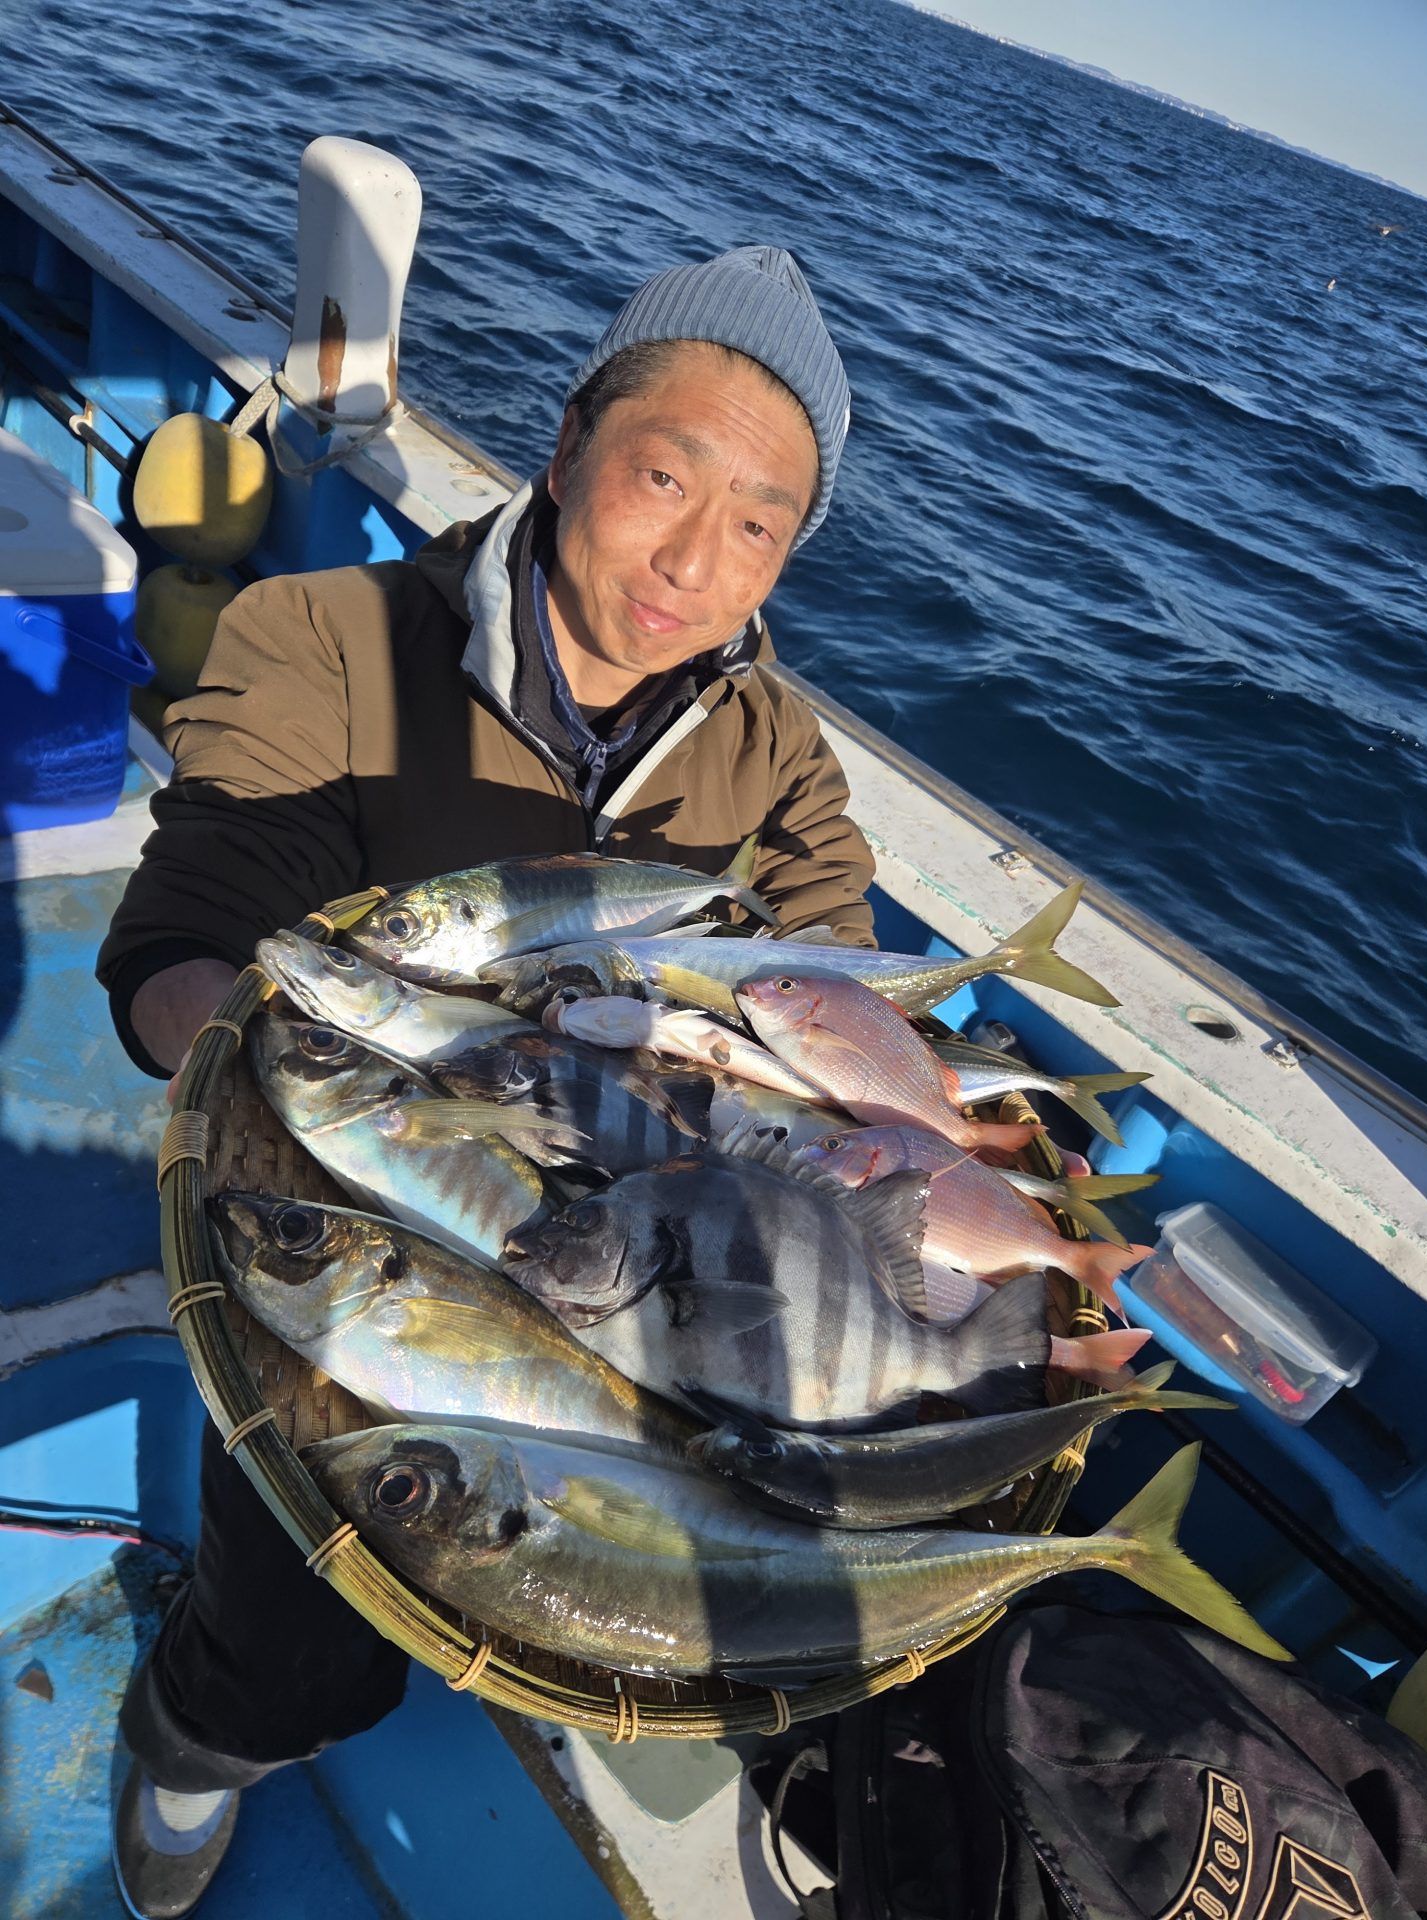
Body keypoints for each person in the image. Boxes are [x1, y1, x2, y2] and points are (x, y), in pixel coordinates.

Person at [99, 244, 876, 1917]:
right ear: (571, 442)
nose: (695, 562)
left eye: (759, 525)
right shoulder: (333, 638)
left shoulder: (775, 760)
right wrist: (278, 1060)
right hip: (361, 1240)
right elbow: (190, 927)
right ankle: (199, 1736)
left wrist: (911, 1125)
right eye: (666, 478)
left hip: (647, 1271)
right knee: (294, 1624)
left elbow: (838, 987)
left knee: (677, 1557)